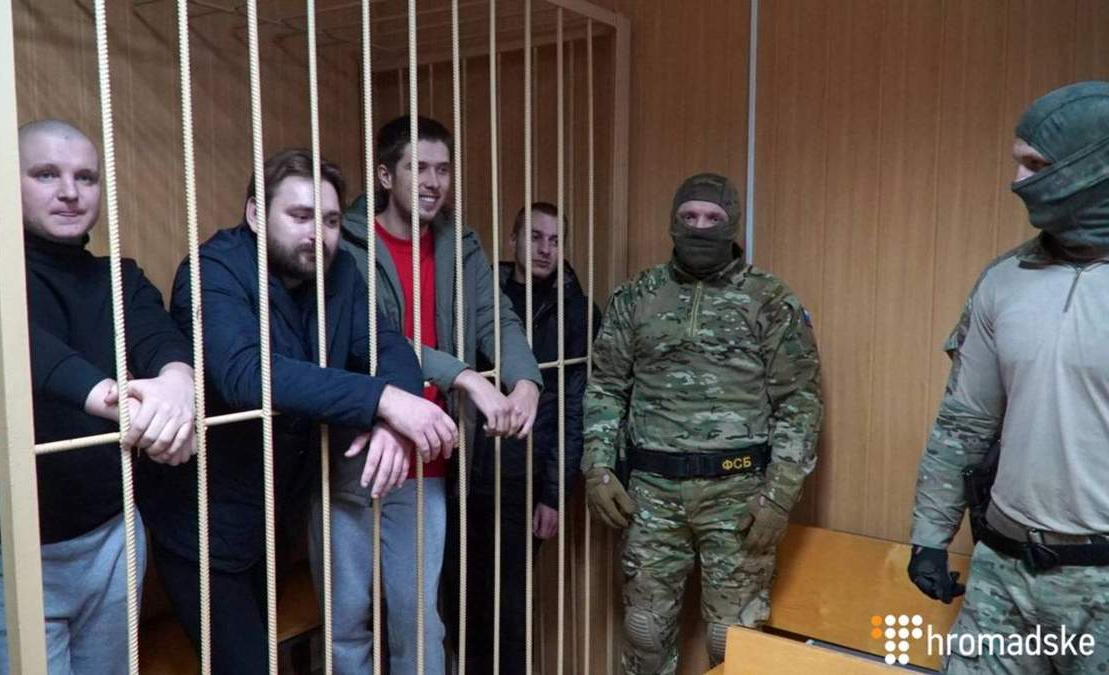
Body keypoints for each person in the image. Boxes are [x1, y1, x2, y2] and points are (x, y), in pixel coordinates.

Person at [139, 150, 454, 674]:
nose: (318, 234)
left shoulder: (339, 270)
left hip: (274, 515)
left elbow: (387, 345)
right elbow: (245, 374)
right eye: (300, 216)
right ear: (255, 214)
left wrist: (394, 422)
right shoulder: (214, 269)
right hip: (202, 523)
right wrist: (384, 400)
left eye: (329, 220)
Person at [0, 119, 196, 675]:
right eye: (46, 174)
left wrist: (179, 387)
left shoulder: (119, 276)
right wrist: (122, 406)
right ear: (7, 180)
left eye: (86, 177)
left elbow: (162, 341)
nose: (70, 191)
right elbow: (6, 341)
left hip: (111, 538)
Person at [320, 115, 542, 674]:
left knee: (420, 620)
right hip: (353, 450)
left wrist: (526, 380)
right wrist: (465, 376)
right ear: (385, 175)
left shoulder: (459, 243)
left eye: (443, 169)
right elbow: (373, 339)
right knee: (346, 622)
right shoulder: (347, 243)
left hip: (428, 455)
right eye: (418, 167)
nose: (433, 181)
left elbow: (497, 317)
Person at [582, 173, 822, 673]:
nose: (700, 227)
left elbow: (799, 402)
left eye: (713, 218)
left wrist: (779, 495)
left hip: (738, 495)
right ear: (673, 222)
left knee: (733, 643)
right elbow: (605, 386)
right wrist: (598, 467)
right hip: (650, 494)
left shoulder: (769, 299)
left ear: (732, 224)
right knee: (644, 632)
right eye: (689, 216)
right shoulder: (638, 295)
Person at [908, 81, 1109, 674]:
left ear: (1092, 168)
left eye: (1036, 165)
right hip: (1002, 572)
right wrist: (929, 535)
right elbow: (964, 421)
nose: (1017, 181)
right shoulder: (1005, 279)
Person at [462, 202, 600, 674]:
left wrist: (554, 494)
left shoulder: (577, 312)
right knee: (463, 600)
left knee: (510, 606)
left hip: (527, 479)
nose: (545, 249)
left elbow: (574, 408)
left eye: (556, 240)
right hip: (468, 474)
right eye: (535, 237)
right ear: (513, 241)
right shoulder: (482, 301)